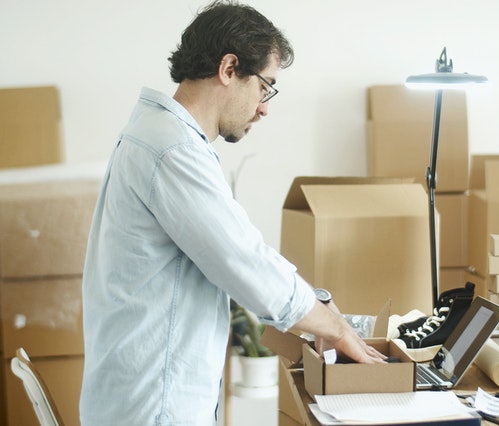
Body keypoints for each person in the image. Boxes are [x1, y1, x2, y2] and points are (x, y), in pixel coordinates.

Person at [79, 1, 386, 425]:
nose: (264, 107)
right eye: (265, 87)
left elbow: (237, 251)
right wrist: (335, 327)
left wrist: (315, 307)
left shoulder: (162, 138)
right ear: (229, 68)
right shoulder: (171, 150)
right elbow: (244, 262)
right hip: (154, 406)